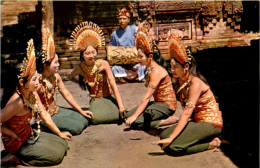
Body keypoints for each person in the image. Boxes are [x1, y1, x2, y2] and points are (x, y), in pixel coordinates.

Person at [1, 39, 71, 166]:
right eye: (34, 79)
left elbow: (44, 114)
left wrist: (59, 133)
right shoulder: (17, 103)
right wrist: (10, 134)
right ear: (22, 83)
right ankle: (15, 156)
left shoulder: (32, 94)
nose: (38, 81)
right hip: (16, 142)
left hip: (28, 135)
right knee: (56, 157)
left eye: (37, 77)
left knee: (62, 144)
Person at [152, 35, 223, 156]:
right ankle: (201, 137)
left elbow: (186, 113)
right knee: (163, 135)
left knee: (173, 147)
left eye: (175, 67)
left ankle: (212, 143)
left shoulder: (195, 83)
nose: (172, 70)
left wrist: (172, 138)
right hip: (197, 121)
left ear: (186, 67)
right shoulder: (182, 82)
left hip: (210, 122)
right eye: (171, 67)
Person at [67, 21, 127, 125]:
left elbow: (113, 84)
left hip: (108, 97)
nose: (91, 56)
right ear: (82, 55)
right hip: (95, 99)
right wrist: (80, 82)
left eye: (93, 52)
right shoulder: (80, 68)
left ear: (97, 52)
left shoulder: (103, 64)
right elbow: (70, 76)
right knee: (95, 119)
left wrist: (121, 105)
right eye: (87, 53)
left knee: (121, 116)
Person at [37, 30, 93, 135]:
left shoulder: (56, 77)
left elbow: (66, 94)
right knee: (76, 128)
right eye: (56, 63)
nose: (58, 65)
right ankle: (45, 127)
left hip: (56, 109)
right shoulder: (37, 83)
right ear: (45, 65)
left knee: (84, 119)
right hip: (43, 116)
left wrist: (81, 111)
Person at [124, 26, 177, 130]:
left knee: (136, 122)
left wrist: (135, 116)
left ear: (150, 57)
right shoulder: (149, 68)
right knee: (127, 116)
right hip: (157, 103)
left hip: (167, 106)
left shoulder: (156, 71)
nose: (138, 59)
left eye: (141, 56)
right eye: (138, 56)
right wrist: (133, 115)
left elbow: (147, 97)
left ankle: (170, 120)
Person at [110, 6, 146, 84]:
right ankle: (128, 78)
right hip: (121, 61)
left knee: (142, 66)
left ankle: (130, 78)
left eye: (124, 19)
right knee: (115, 68)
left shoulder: (133, 29)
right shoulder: (114, 34)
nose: (122, 21)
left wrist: (140, 27)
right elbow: (112, 48)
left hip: (134, 60)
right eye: (120, 19)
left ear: (128, 20)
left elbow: (141, 33)